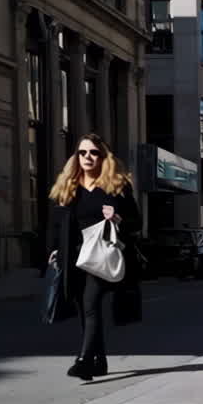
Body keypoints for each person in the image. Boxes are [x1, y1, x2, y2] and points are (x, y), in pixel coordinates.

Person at [47, 133, 142, 380]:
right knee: (84, 310)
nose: (87, 157)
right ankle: (99, 361)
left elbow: (137, 222)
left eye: (93, 152)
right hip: (75, 257)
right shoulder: (69, 185)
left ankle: (84, 360)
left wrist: (117, 217)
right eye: (82, 152)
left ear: (103, 156)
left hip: (101, 254)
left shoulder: (116, 185)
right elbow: (60, 225)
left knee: (90, 304)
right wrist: (55, 249)